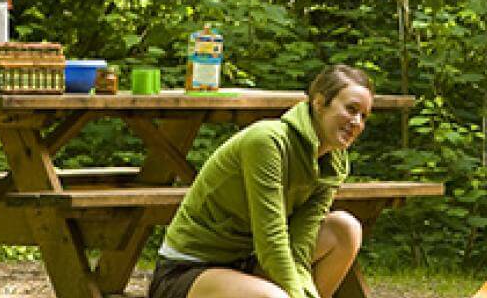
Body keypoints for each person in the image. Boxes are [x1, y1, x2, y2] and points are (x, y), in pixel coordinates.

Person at [149, 64, 374, 298]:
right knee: (271, 297)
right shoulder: (268, 142)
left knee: (345, 230)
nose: (357, 122)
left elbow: (300, 246)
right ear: (319, 102)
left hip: (251, 262)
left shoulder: (334, 162)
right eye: (351, 109)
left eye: (364, 116)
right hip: (190, 269)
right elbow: (271, 240)